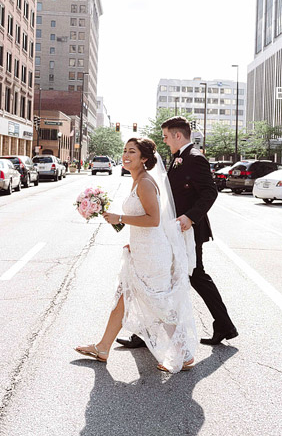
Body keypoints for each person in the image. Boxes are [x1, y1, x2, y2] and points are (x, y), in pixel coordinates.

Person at [75, 137, 198, 373]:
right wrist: (131, 242)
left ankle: (185, 353)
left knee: (159, 305)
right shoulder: (136, 181)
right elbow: (144, 220)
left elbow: (153, 220)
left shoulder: (145, 183)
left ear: (144, 158)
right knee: (122, 297)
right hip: (142, 250)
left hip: (153, 256)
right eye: (124, 151)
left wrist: (119, 218)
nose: (125, 155)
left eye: (132, 152)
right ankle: (102, 347)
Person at [117, 116, 238, 348]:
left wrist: (191, 217)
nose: (164, 141)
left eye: (165, 136)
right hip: (172, 229)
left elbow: (210, 192)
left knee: (192, 276)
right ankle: (146, 333)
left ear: (178, 135)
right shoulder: (178, 158)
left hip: (188, 230)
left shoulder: (194, 158)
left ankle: (223, 325)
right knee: (164, 278)